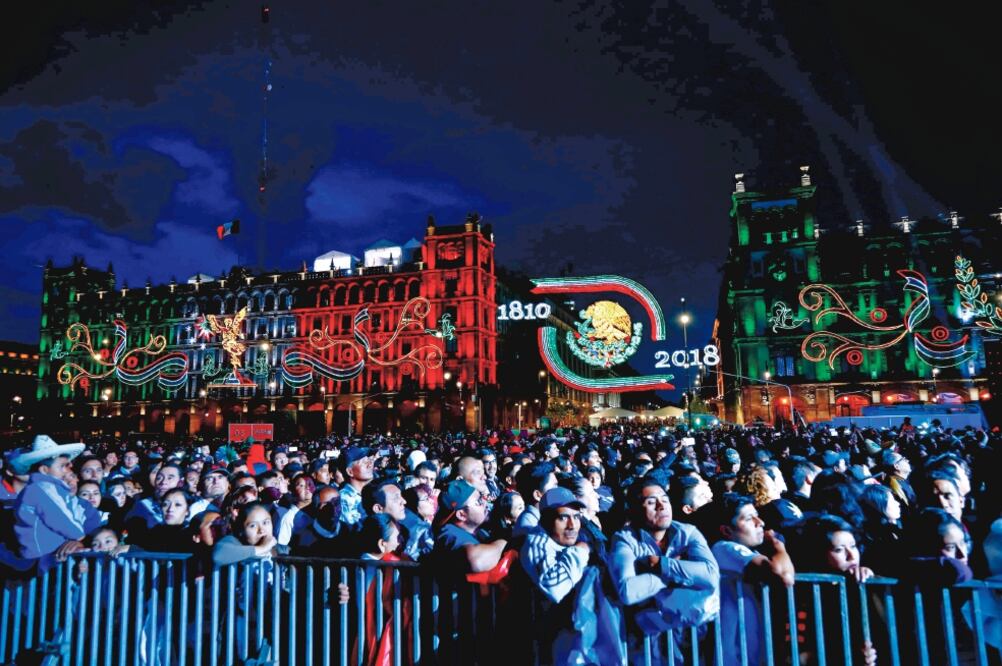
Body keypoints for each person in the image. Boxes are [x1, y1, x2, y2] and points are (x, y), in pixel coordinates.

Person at [609, 476, 719, 658]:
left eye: (665, 500)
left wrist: (660, 565)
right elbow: (627, 591)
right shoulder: (625, 539)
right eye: (651, 502)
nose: (661, 506)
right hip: (648, 645)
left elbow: (711, 576)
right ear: (636, 510)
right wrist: (678, 573)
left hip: (694, 639)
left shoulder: (688, 532)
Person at [708, 493, 794, 665]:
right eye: (749, 519)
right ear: (727, 530)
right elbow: (783, 574)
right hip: (734, 656)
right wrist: (778, 545)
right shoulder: (725, 548)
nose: (760, 522)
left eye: (757, 516)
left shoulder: (751, 552)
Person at [11, 435, 100, 571]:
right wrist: (80, 535)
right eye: (62, 466)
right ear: (44, 470)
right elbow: (67, 523)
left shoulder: (46, 489)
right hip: (40, 560)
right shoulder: (43, 489)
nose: (67, 469)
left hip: (46, 557)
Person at [431, 480, 507, 575]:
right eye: (479, 501)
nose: (485, 502)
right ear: (462, 515)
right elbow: (477, 562)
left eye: (482, 497)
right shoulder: (448, 533)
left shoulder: (479, 529)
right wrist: (505, 541)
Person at [513, 461, 557, 537]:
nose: (559, 490)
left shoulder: (545, 517)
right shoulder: (529, 527)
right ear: (537, 495)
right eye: (554, 487)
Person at [339, 447, 375, 528]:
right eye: (364, 462)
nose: (370, 465)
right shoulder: (345, 498)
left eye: (369, 461)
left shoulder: (370, 492)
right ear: (350, 472)